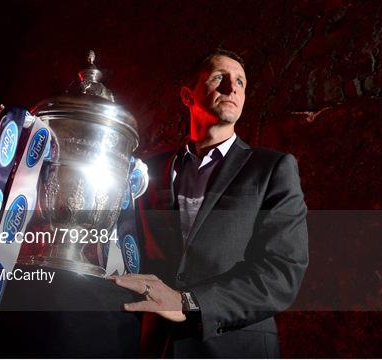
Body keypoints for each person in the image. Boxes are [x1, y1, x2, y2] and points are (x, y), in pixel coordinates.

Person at [112, 48, 309, 358]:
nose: (232, 88)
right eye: (220, 78)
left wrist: (189, 302)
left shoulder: (272, 168)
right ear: (188, 96)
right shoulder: (147, 171)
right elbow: (125, 252)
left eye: (241, 82)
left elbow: (282, 273)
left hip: (236, 347)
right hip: (157, 346)